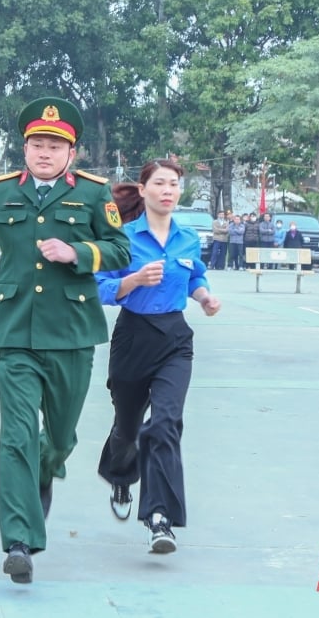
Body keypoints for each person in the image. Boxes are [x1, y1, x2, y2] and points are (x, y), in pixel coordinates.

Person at [0, 97, 131, 584]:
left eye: (55, 145)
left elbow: (120, 249)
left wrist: (78, 251)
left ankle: (46, 470)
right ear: (24, 148)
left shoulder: (92, 194)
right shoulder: (1, 193)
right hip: (16, 333)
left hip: (71, 334)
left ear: (72, 152)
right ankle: (19, 541)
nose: (44, 152)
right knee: (16, 436)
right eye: (37, 144)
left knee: (58, 439)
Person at [95, 159, 221, 555]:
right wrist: (133, 280)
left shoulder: (187, 238)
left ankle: (160, 518)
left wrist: (204, 297)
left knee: (165, 423)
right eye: (160, 183)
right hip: (133, 336)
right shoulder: (123, 237)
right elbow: (100, 287)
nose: (168, 190)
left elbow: (195, 275)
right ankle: (120, 474)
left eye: (174, 184)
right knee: (128, 429)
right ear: (144, 189)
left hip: (175, 339)